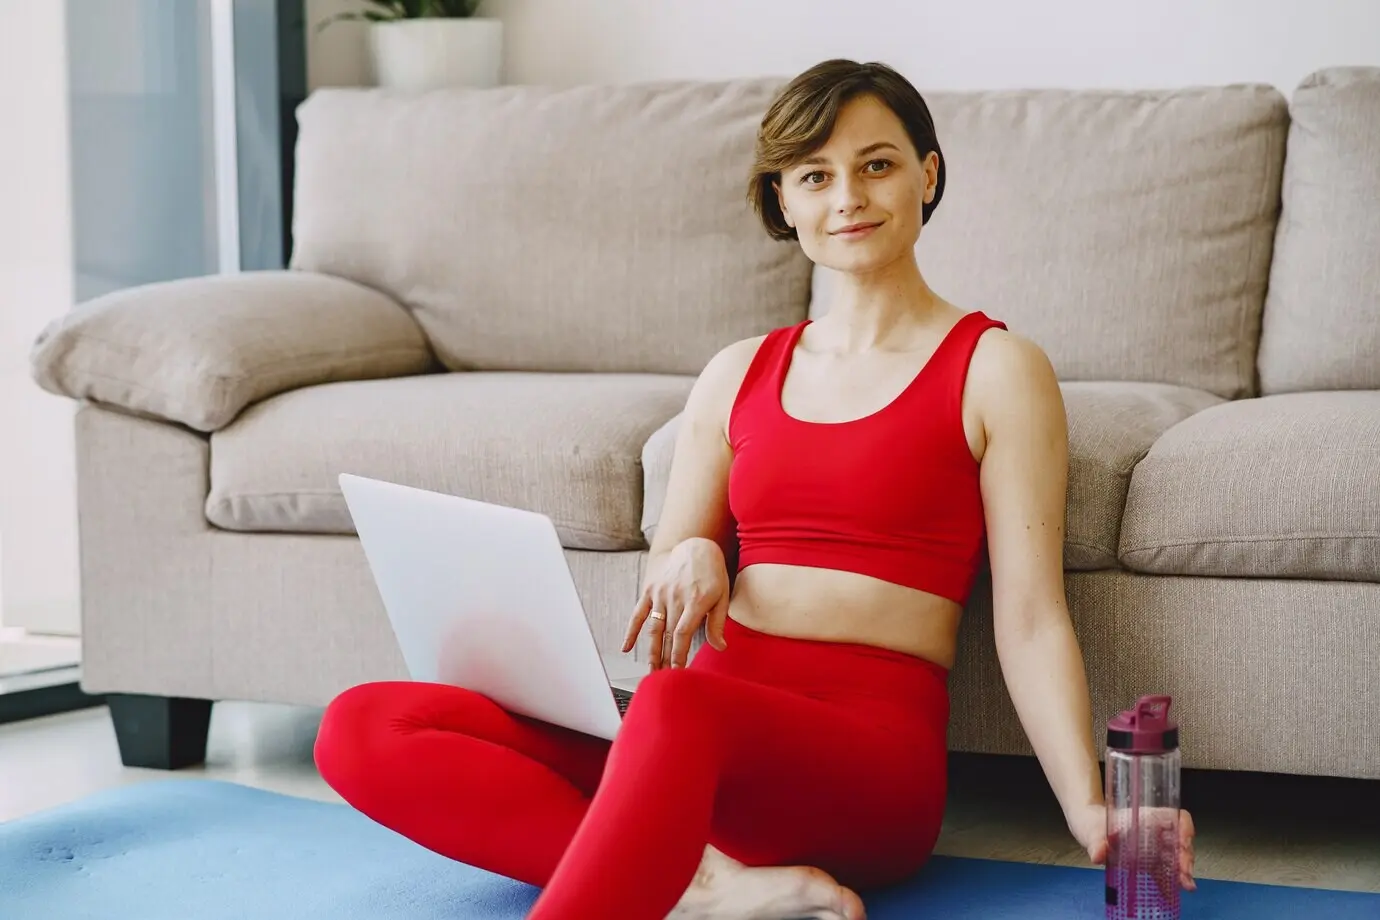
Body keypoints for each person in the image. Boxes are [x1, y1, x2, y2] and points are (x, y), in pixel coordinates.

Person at [313, 59, 1197, 920]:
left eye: (876, 165)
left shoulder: (997, 368)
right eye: (815, 176)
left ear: (927, 176)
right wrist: (695, 550)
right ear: (784, 200)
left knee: (672, 706)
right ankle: (703, 886)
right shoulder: (736, 372)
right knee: (362, 723)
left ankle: (658, 871)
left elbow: (1031, 616)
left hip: (863, 766)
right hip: (688, 742)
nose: (847, 196)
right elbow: (671, 565)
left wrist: (1090, 809)